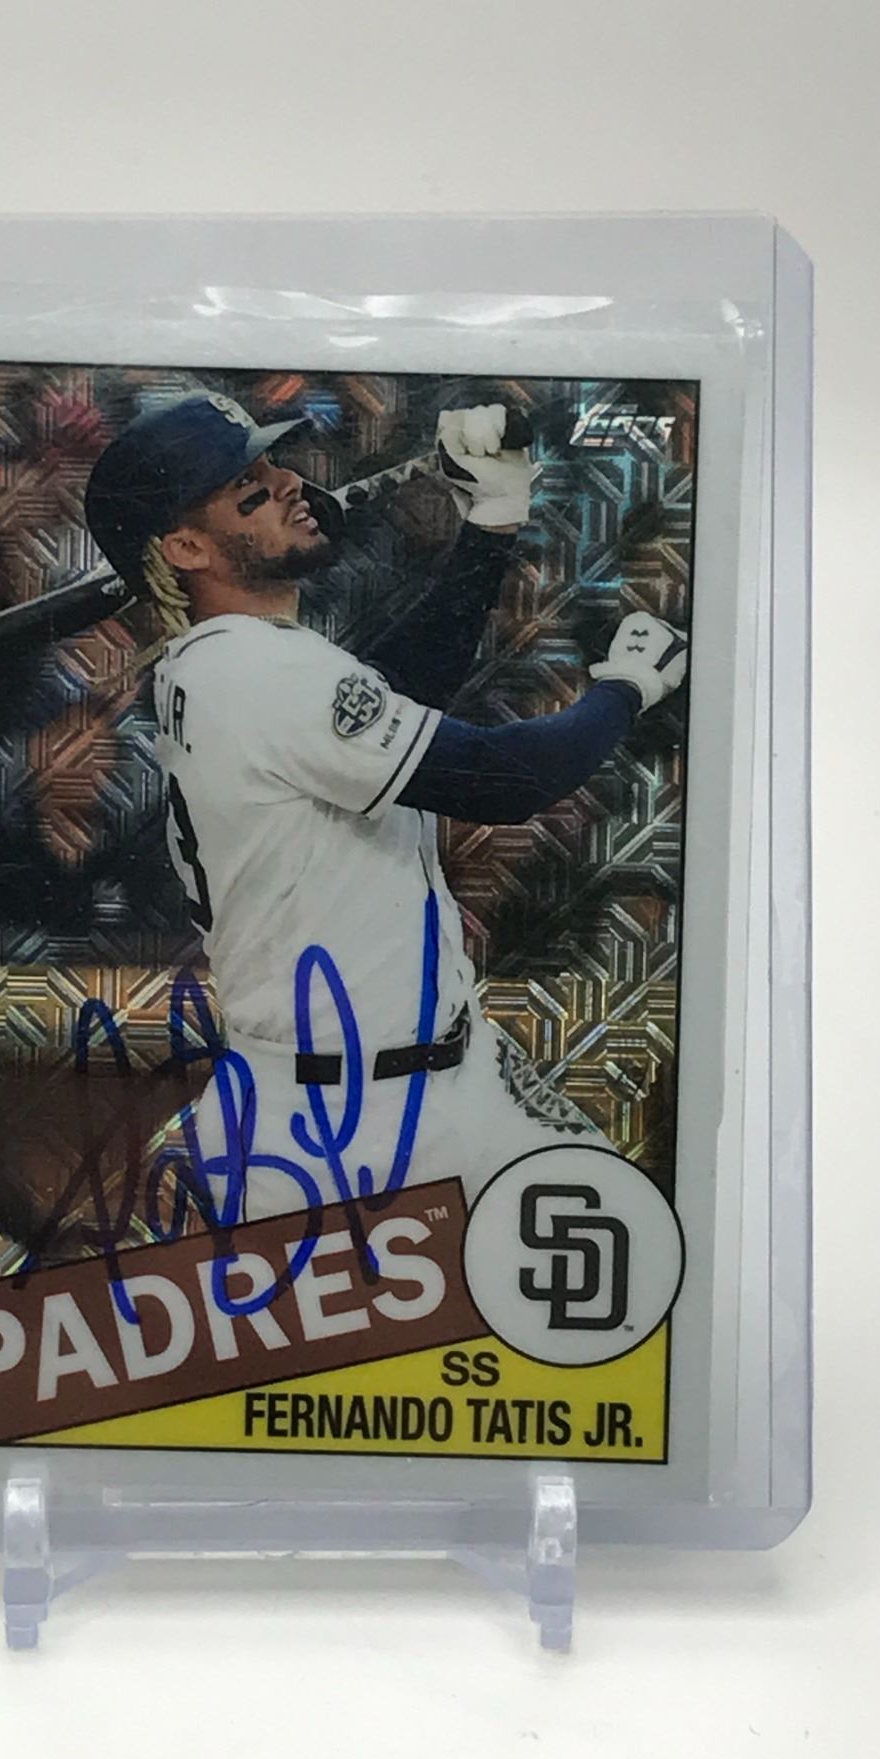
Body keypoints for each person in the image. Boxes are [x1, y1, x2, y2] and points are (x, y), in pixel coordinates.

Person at [83, 390, 687, 1221]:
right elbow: (501, 781)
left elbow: (393, 691)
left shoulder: (225, 662)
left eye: (273, 466)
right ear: (186, 546)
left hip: (420, 1084)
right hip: (340, 1130)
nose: (289, 484)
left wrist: (491, 526)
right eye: (249, 491)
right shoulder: (259, 674)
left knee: (622, 1247)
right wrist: (625, 690)